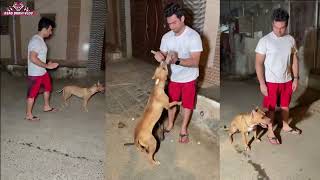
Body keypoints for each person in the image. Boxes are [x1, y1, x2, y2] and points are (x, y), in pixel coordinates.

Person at [153, 3, 203, 143]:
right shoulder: (166, 37)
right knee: (172, 103)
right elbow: (162, 54)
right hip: (173, 78)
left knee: (187, 104)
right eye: (169, 23)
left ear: (182, 18)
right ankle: (170, 124)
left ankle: (183, 129)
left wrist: (177, 61)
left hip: (189, 78)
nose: (172, 26)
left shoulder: (193, 37)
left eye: (174, 22)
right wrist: (159, 55)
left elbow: (195, 62)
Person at [255, 8, 301, 145]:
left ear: (286, 25)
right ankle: (270, 131)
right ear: (272, 24)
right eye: (276, 27)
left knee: (286, 106)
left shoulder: (290, 40)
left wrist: (296, 78)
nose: (279, 30)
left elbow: (294, 60)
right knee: (270, 109)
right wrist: (262, 83)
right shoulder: (265, 41)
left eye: (282, 27)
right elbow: (258, 63)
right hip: (271, 82)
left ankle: (285, 126)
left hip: (287, 80)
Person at [25, 17, 59, 121]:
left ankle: (46, 107)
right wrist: (47, 66)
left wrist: (46, 63)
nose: (51, 32)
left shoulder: (40, 40)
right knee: (32, 94)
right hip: (35, 74)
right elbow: (32, 58)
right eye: (51, 29)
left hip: (42, 72)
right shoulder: (36, 41)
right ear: (47, 28)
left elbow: (38, 57)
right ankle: (28, 115)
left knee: (48, 87)